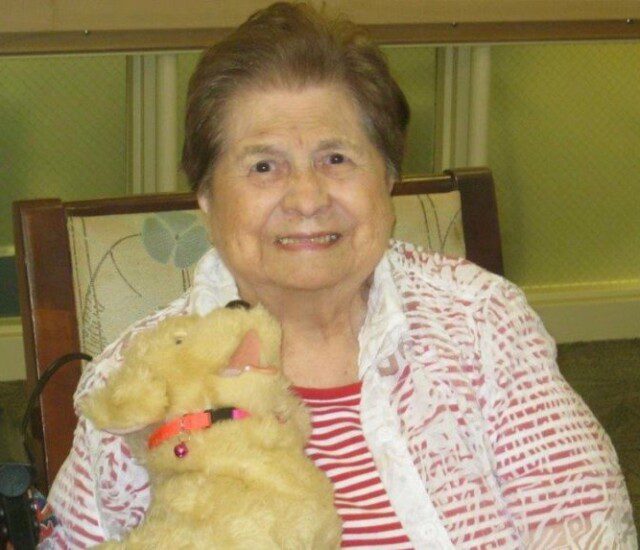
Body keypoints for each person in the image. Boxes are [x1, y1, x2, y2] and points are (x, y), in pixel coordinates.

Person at [41, 2, 636, 548]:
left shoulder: (482, 324)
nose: (306, 198)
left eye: (336, 158)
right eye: (264, 165)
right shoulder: (143, 380)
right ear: (205, 197)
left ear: (388, 179)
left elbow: (590, 530)